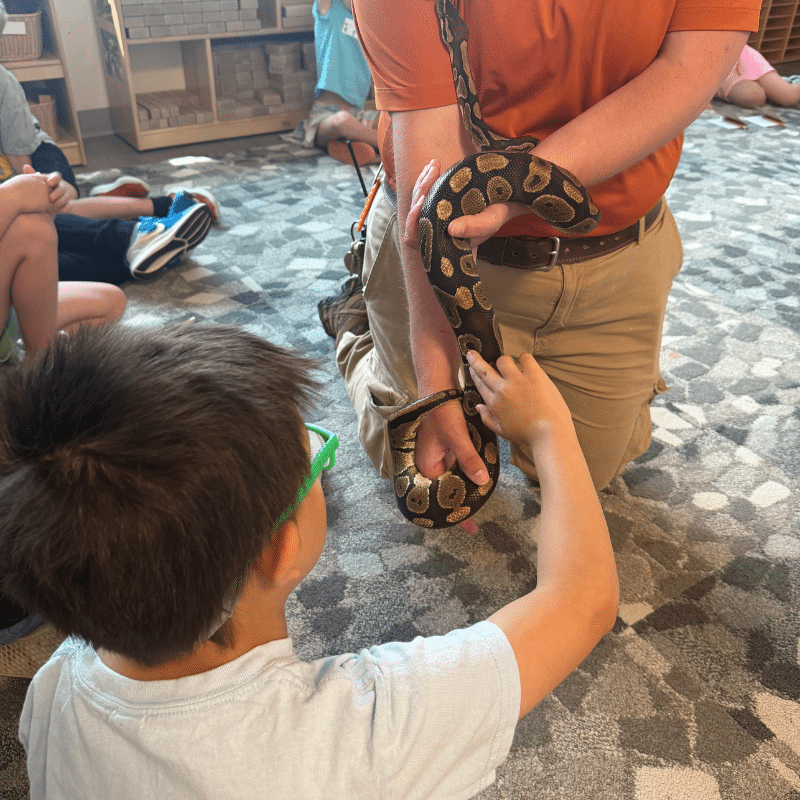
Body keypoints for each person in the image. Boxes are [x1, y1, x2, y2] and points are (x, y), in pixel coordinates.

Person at [0, 321, 617, 798]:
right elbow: (582, 600)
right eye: (315, 456)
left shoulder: (58, 685)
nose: (325, 461)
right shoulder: (368, 731)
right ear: (279, 549)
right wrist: (549, 430)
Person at [319, 1, 761, 521]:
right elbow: (435, 178)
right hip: (439, 248)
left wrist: (519, 190)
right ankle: (357, 328)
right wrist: (434, 377)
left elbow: (691, 66)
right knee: (409, 459)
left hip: (612, 251)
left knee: (592, 470)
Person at [284, 0, 378, 165]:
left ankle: (345, 144)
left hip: (359, 113)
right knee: (342, 121)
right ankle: (384, 146)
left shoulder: (368, 23)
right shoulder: (330, 9)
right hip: (326, 114)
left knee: (391, 117)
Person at [715, 44, 800, 108]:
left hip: (737, 50)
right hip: (714, 65)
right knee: (753, 97)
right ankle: (775, 85)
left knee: (789, 97)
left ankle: (788, 83)